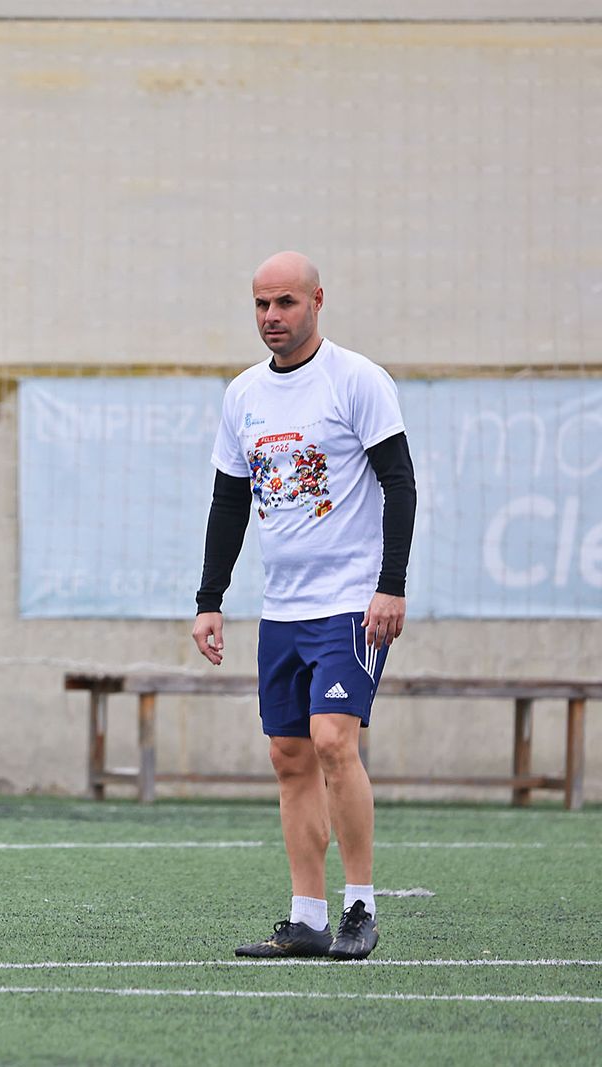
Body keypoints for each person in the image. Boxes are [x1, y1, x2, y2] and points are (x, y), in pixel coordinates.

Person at [192, 251, 416, 962]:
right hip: (282, 610)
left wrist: (391, 584)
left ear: (317, 301)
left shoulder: (357, 380)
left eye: (285, 302)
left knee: (332, 741)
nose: (272, 317)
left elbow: (400, 483)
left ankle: (360, 906)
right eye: (261, 304)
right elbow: (229, 500)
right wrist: (210, 600)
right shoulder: (243, 394)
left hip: (351, 604)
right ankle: (307, 916)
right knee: (288, 754)